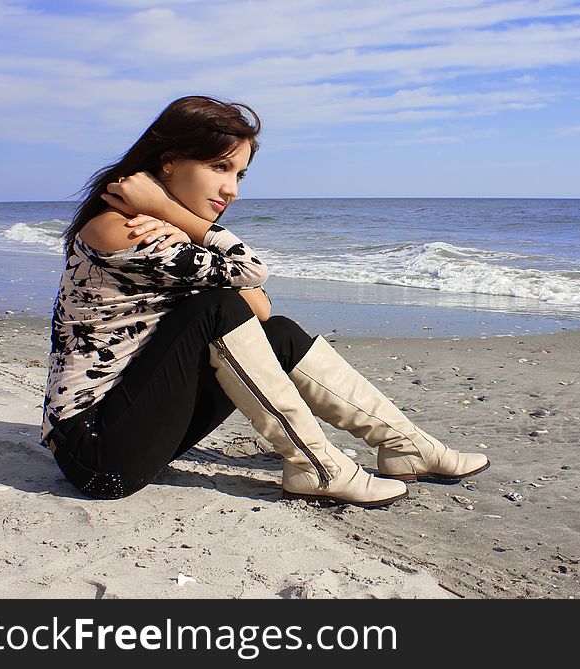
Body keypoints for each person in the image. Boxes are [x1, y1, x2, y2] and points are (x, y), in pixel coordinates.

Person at [42, 95, 489, 508]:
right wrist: (176, 215)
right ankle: (317, 468)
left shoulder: (159, 233)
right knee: (216, 308)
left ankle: (403, 445)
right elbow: (249, 274)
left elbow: (261, 311)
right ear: (168, 164)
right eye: (219, 167)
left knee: (275, 334)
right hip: (96, 451)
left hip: (136, 423)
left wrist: (181, 227)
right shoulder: (118, 230)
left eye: (238, 174)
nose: (231, 189)